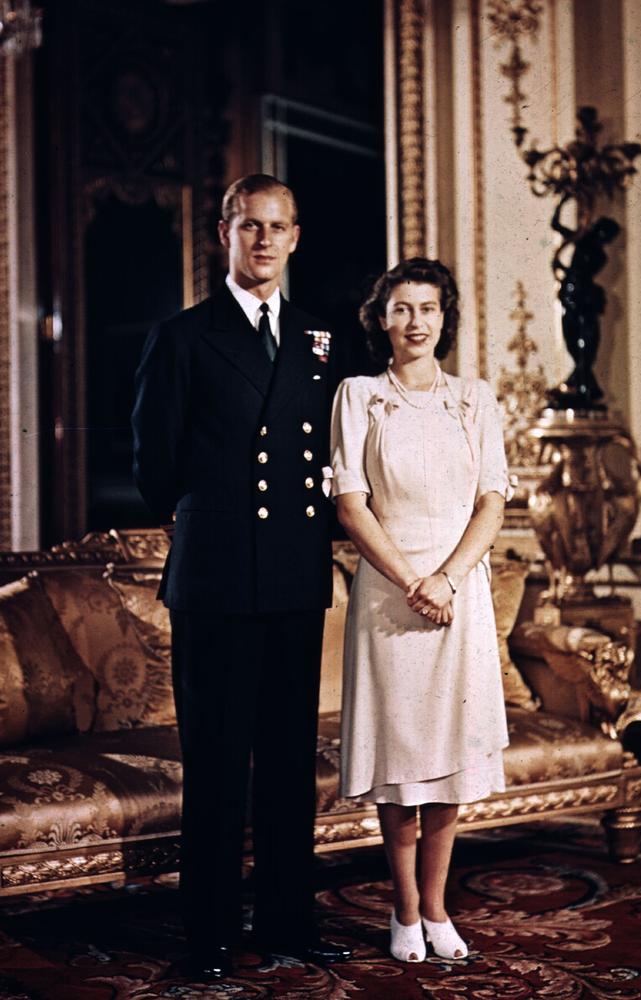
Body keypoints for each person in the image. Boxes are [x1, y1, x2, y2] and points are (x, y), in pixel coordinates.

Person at [132, 173, 351, 981]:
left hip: (294, 580)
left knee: (291, 764)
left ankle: (290, 923)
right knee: (219, 766)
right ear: (223, 233)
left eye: (278, 226)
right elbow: (155, 473)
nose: (264, 240)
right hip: (218, 584)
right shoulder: (183, 337)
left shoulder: (321, 341)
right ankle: (210, 934)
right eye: (249, 225)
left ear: (296, 237)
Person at [330, 257, 510, 963]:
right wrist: (413, 580)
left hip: (458, 592)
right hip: (391, 592)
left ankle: (438, 908)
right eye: (401, 308)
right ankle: (404, 910)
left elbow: (492, 499)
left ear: (444, 318)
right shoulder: (359, 396)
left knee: (448, 763)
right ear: (381, 319)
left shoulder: (475, 399)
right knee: (401, 759)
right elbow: (350, 501)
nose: (415, 322)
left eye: (428, 308)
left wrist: (449, 578)